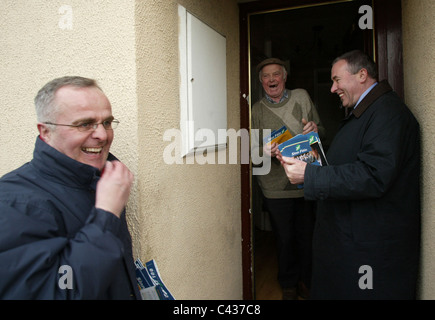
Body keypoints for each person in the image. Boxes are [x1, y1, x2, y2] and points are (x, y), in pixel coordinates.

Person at [278, 50, 421, 299]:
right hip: (353, 241)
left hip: (370, 250)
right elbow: (353, 161)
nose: (333, 89)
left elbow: (373, 175)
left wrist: (309, 176)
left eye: (337, 80)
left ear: (362, 75)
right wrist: (308, 159)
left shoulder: (388, 114)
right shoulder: (367, 111)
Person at [0, 76, 141, 299]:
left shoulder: (102, 179)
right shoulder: (13, 202)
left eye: (106, 122)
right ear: (45, 131)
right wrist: (105, 214)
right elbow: (52, 292)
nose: (102, 135)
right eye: (85, 124)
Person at [251, 57, 325, 299]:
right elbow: (249, 154)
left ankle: (308, 282)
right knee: (284, 239)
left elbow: (322, 132)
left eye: (276, 74)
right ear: (261, 82)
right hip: (274, 188)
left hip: (306, 181)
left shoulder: (302, 97)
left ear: (284, 77)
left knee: (307, 237)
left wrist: (315, 130)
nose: (271, 79)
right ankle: (288, 285)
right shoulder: (256, 111)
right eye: (266, 76)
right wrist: (262, 151)